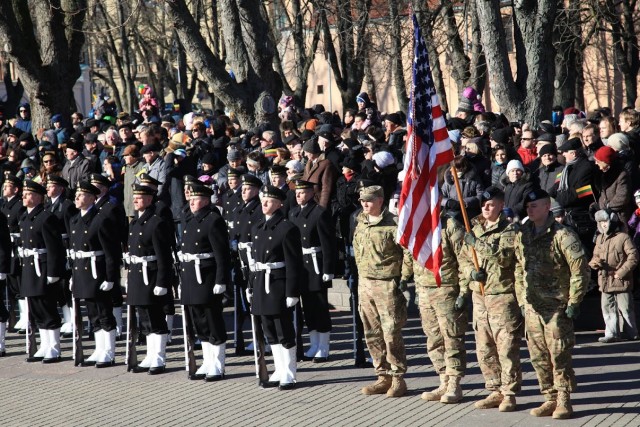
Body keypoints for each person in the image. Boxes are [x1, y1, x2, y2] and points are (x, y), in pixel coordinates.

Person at [514, 189, 589, 419]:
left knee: (559, 355)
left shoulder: (563, 235)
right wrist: (521, 297)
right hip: (533, 307)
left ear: (547, 207)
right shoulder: (524, 233)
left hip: (556, 307)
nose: (530, 209)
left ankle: (564, 399)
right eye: (528, 206)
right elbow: (519, 266)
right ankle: (549, 397)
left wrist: (574, 301)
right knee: (538, 357)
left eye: (534, 205)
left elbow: (580, 271)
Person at [460, 186, 522, 411]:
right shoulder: (474, 228)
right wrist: (470, 274)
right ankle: (494, 389)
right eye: (483, 204)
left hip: (502, 296)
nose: (485, 207)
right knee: (484, 348)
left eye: (491, 204)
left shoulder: (509, 230)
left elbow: (505, 258)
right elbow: (464, 260)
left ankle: (509, 393)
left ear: (501, 206)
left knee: (506, 347)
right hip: (480, 297)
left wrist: (478, 245)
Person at [353, 185, 411, 398]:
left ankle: (398, 378)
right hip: (365, 284)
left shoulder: (394, 224)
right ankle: (382, 375)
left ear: (380, 200)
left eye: (369, 200)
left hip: (387, 284)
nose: (365, 204)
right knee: (371, 332)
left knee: (391, 333)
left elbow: (408, 253)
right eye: (362, 201)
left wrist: (404, 278)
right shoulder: (360, 222)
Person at [247, 185, 303, 390]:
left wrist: (292, 292)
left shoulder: (287, 228)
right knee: (269, 329)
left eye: (269, 201)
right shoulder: (258, 227)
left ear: (279, 204)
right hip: (262, 282)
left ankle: (289, 373)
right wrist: (250, 285)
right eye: (263, 200)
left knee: (283, 329)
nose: (264, 204)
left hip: (278, 284)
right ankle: (278, 370)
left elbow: (294, 263)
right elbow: (255, 261)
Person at [410, 212, 467, 404]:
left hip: (446, 289)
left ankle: (454, 384)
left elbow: (464, 260)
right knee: (433, 339)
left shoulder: (450, 226)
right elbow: (413, 258)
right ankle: (443, 379)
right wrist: (417, 289)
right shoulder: (417, 224)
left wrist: (464, 292)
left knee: (451, 338)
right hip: (425, 290)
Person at [179, 182, 231, 381]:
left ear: (206, 200)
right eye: (190, 199)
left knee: (212, 320)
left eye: (196, 199)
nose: (191, 202)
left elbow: (222, 254)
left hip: (207, 278)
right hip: (192, 277)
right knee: (199, 322)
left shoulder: (213, 220)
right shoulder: (191, 219)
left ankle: (217, 364)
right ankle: (207, 361)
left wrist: (221, 280)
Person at [68, 181, 121, 367]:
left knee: (104, 312)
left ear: (91, 198)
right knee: (93, 314)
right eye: (76, 195)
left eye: (81, 195)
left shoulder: (101, 219)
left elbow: (111, 251)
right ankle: (99, 349)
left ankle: (108, 352)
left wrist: (110, 277)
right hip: (82, 270)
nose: (76, 198)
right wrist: (72, 276)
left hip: (97, 272)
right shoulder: (74, 219)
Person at [125, 183, 174, 375]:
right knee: (144, 318)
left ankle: (159, 358)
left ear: (149, 199)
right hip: (138, 274)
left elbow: (164, 257)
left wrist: (163, 282)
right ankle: (150, 355)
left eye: (139, 197)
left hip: (151, 276)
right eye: (134, 196)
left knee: (155, 317)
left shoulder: (156, 222)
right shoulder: (135, 222)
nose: (135, 200)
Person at [288, 180, 336, 362]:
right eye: (296, 193)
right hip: (301, 266)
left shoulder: (319, 213)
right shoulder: (293, 213)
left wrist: (328, 269)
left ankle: (323, 346)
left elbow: (328, 243)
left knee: (320, 307)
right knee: (307, 308)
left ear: (310, 193)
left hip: (316, 265)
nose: (298, 196)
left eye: (301, 192)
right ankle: (314, 344)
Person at [18, 180, 66, 363]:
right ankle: (44, 346)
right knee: (36, 309)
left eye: (28, 194)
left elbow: (54, 248)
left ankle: (53, 348)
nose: (24, 196)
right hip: (30, 267)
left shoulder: (46, 217)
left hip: (43, 268)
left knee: (47, 308)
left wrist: (54, 272)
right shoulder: (25, 217)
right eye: (24, 193)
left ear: (38, 197)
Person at [590, 209, 638, 342]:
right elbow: (595, 256)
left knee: (626, 309)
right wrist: (595, 263)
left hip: (621, 280)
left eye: (605, 221)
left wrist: (621, 272)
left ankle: (631, 333)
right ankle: (611, 334)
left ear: (611, 221)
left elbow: (633, 257)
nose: (603, 224)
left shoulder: (623, 237)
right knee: (607, 308)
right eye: (601, 222)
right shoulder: (599, 238)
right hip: (605, 281)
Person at [2, 175, 26, 332]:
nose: (4, 189)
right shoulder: (4, 205)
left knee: (19, 283)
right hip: (6, 248)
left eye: (7, 186)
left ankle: (25, 316)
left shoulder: (19, 206)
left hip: (16, 249)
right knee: (11, 285)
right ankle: (15, 317)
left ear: (16, 189)